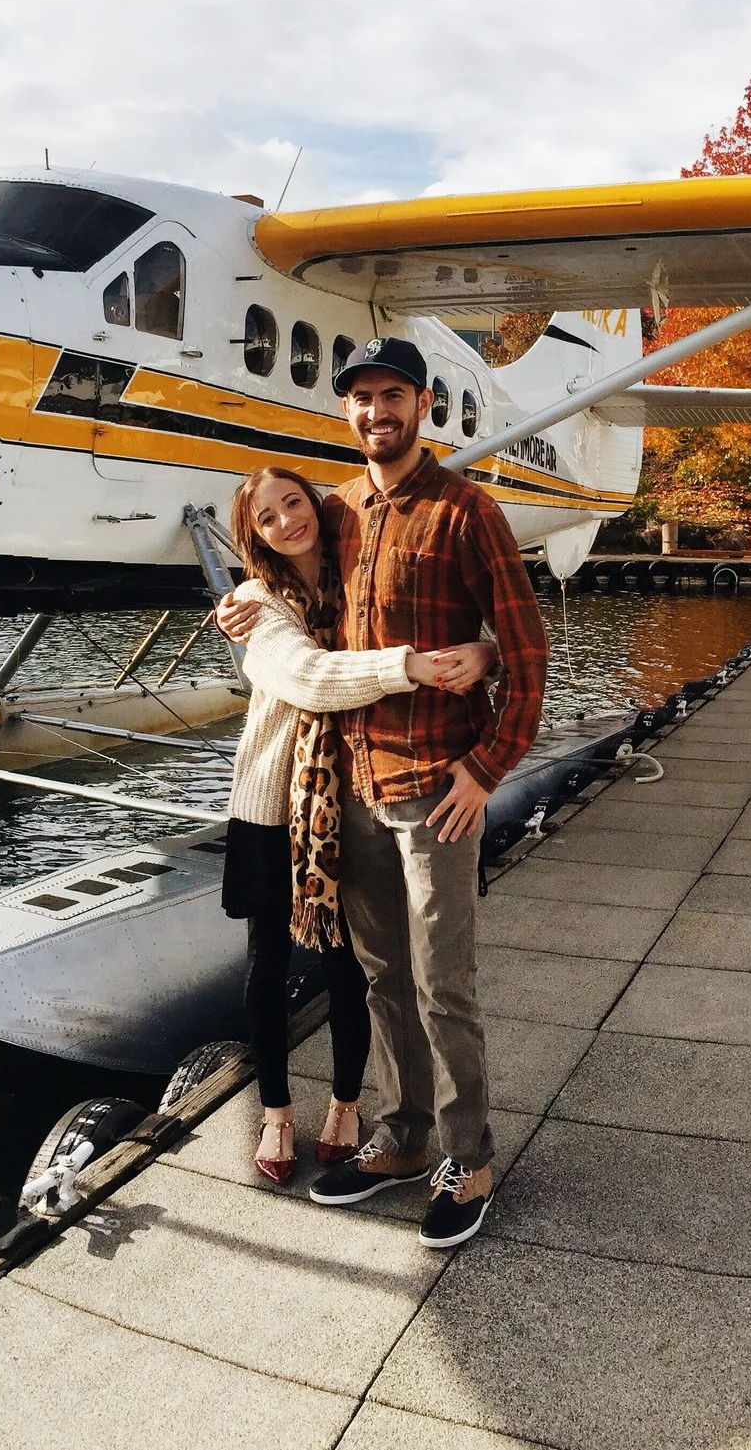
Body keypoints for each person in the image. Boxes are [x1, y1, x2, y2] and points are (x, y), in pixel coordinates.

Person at [220, 337, 548, 1250]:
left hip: (435, 786)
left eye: (393, 394)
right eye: (361, 398)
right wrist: (240, 598)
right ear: (347, 412)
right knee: (381, 978)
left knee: (444, 983)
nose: (377, 412)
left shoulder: (467, 511)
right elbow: (278, 564)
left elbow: (525, 654)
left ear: (425, 402)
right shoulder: (338, 510)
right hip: (349, 787)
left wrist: (486, 769)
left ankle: (468, 1156)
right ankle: (400, 1140)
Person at [221, 466, 495, 1185]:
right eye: (267, 517)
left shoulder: (350, 582)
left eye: (293, 502)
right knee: (267, 963)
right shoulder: (255, 601)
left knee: (356, 962)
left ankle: (349, 1104)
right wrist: (414, 667)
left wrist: (487, 654)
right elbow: (311, 676)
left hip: (350, 797)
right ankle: (277, 1111)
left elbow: (450, 618)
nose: (287, 521)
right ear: (254, 536)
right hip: (275, 804)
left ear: (317, 502)